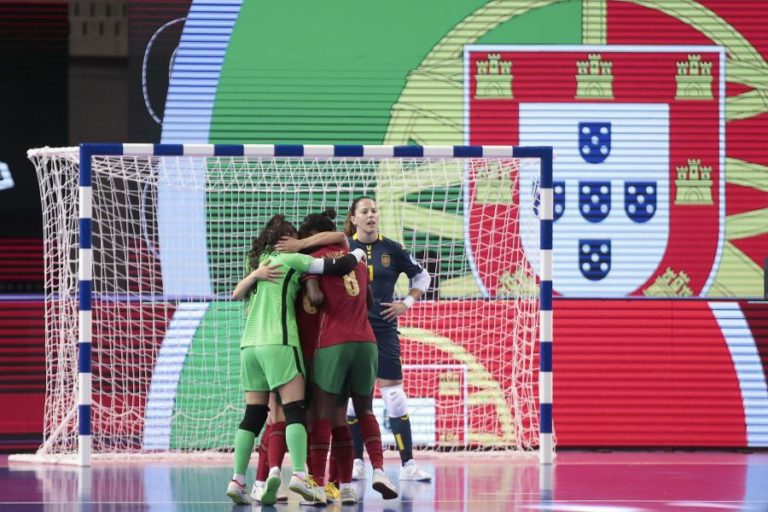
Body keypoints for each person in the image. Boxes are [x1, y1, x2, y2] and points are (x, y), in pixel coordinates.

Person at [225, 214, 368, 506]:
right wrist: (358, 251)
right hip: (279, 343)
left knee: (254, 417)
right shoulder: (291, 260)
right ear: (287, 242)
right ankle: (301, 475)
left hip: (248, 347)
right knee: (295, 411)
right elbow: (339, 265)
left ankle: (239, 480)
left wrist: (254, 275)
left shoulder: (255, 264)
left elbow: (235, 293)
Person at [288, 209, 399, 504]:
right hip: (366, 342)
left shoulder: (315, 262)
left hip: (333, 343)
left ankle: (316, 485)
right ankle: (372, 473)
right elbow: (370, 300)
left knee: (324, 415)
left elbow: (317, 298)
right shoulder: (359, 260)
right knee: (364, 412)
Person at [343, 196, 433, 482]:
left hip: (383, 328)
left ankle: (408, 465)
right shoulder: (343, 247)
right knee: (353, 399)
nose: (371, 215)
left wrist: (405, 303)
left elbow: (423, 278)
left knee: (394, 396)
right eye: (364, 211)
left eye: (374, 210)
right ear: (354, 218)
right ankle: (356, 462)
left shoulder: (392, 249)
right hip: (352, 331)